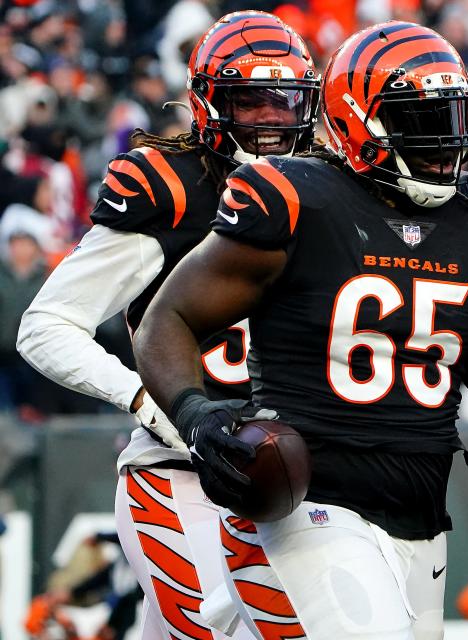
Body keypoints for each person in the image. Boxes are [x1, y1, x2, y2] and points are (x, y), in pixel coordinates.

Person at [132, 22, 468, 640]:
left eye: (454, 115)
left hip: (421, 515)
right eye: (421, 118)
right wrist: (195, 414)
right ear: (358, 119)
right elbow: (169, 317)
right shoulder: (296, 198)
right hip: (306, 504)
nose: (446, 138)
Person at [16, 11, 319, 640]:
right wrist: (149, 400)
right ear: (210, 104)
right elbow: (45, 325)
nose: (270, 119)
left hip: (301, 474)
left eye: (284, 100)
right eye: (249, 102)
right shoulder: (173, 190)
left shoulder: (327, 190)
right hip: (184, 471)